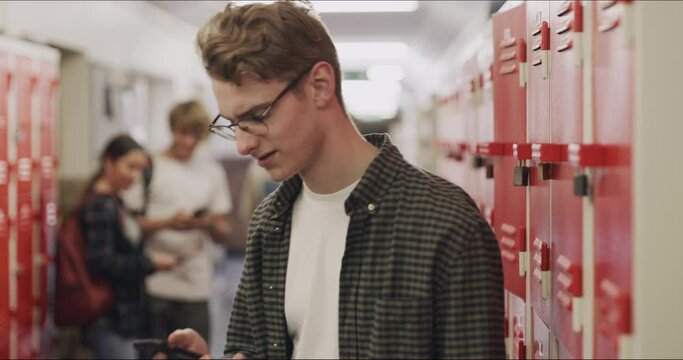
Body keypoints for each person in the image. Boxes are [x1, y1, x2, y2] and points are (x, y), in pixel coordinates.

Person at [166, 1, 505, 358]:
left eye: (255, 115)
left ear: (320, 85)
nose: (243, 145)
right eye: (233, 124)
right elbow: (249, 349)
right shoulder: (270, 223)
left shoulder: (445, 224)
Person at [121, 100, 232, 344]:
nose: (188, 142)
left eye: (196, 136)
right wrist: (168, 223)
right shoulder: (150, 166)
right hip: (155, 283)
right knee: (156, 352)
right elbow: (131, 225)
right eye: (183, 133)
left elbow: (223, 230)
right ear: (172, 129)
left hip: (196, 285)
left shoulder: (212, 171)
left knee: (194, 352)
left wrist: (204, 224)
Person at [81, 134, 178, 359]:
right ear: (108, 163)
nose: (135, 176)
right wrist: (150, 263)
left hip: (124, 315)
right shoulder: (100, 205)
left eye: (139, 169)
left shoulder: (115, 200)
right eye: (129, 167)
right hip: (110, 318)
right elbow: (101, 262)